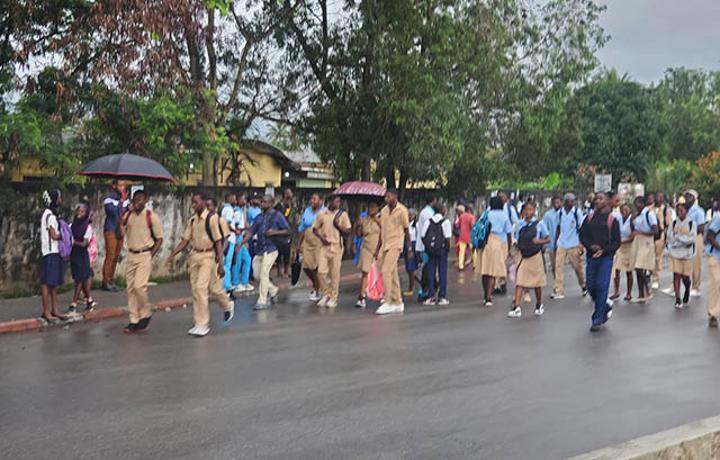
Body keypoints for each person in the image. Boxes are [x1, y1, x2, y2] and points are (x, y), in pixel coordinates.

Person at [166, 194, 233, 337]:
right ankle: (224, 305)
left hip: (209, 256)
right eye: (192, 202)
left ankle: (203, 323)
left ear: (203, 202)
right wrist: (172, 255)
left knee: (201, 288)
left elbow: (219, 241)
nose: (193, 205)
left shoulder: (213, 219)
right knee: (199, 289)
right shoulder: (193, 221)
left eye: (196, 202)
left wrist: (221, 263)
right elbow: (185, 240)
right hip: (195, 256)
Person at [119, 190, 163, 333]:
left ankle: (145, 312)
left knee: (139, 286)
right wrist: (122, 219)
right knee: (131, 289)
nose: (137, 202)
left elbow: (159, 239)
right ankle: (134, 320)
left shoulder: (151, 217)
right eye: (135, 199)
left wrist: (151, 254)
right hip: (131, 254)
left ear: (145, 201)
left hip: (145, 254)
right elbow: (119, 234)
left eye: (140, 200)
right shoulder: (128, 216)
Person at [238, 195, 290, 310]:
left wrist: (274, 232)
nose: (262, 204)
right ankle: (273, 290)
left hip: (271, 249)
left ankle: (262, 300)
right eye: (262, 202)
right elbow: (251, 232)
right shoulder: (259, 217)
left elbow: (287, 230)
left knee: (264, 273)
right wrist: (241, 243)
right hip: (260, 249)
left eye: (265, 202)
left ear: (271, 204)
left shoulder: (277, 216)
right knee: (257, 275)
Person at [580, 192, 621, 332]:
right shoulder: (589, 218)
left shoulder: (612, 220)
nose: (598, 201)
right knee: (591, 286)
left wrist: (604, 250)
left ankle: (597, 319)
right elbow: (582, 236)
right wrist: (590, 246)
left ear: (608, 201)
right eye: (596, 198)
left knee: (602, 285)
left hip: (605, 258)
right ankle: (605, 305)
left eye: (601, 198)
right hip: (591, 257)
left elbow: (616, 241)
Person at [507, 202, 550, 318]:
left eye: (530, 209)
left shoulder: (539, 224)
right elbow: (516, 238)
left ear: (534, 210)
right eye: (526, 210)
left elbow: (548, 238)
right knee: (520, 281)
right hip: (523, 255)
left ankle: (539, 304)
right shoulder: (519, 224)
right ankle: (516, 307)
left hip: (535, 255)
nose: (528, 212)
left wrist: (539, 242)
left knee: (537, 283)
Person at [375, 189, 412, 315]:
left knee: (386, 270)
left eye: (389, 196)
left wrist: (409, 248)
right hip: (385, 244)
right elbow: (382, 231)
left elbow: (406, 231)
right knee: (392, 273)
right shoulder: (384, 211)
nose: (386, 199)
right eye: (386, 197)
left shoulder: (402, 210)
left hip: (396, 244)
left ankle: (388, 301)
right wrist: (377, 248)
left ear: (395, 196)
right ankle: (397, 301)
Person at [312, 195, 352, 308]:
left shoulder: (342, 215)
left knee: (334, 274)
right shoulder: (322, 214)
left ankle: (333, 297)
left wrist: (339, 226)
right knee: (321, 272)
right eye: (336, 202)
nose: (338, 204)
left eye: (339, 202)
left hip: (336, 247)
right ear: (329, 202)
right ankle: (325, 293)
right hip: (324, 246)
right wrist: (321, 238)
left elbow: (348, 231)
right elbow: (315, 229)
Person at [552, 193, 586, 299]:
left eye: (574, 201)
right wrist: (555, 243)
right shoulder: (560, 213)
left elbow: (581, 228)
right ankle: (558, 290)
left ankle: (583, 285)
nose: (573, 203)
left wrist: (581, 244)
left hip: (573, 243)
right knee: (558, 267)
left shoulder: (576, 212)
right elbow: (558, 228)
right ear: (566, 202)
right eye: (571, 201)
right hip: (561, 243)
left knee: (577, 267)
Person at [481, 196, 513, 306]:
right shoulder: (504, 216)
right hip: (496, 242)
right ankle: (489, 297)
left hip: (484, 242)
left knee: (485, 270)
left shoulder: (486, 214)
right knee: (493, 272)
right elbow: (508, 233)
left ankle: (485, 294)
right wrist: (509, 247)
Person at [40, 189, 66, 323]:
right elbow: (54, 236)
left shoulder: (47, 214)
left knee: (52, 283)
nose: (60, 200)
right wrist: (65, 235)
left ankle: (54, 309)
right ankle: (46, 311)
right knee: (47, 283)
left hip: (49, 252)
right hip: (51, 252)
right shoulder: (50, 216)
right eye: (58, 197)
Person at [68, 202, 97, 314]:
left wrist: (72, 242)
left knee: (80, 279)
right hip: (74, 255)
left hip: (83, 255)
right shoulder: (71, 226)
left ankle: (74, 303)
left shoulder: (87, 228)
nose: (79, 213)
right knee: (79, 278)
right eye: (78, 211)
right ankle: (89, 300)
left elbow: (84, 244)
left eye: (82, 212)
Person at [421, 204, 452, 306]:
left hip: (431, 250)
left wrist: (429, 247)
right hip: (442, 250)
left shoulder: (428, 222)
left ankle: (431, 296)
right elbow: (447, 237)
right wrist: (446, 249)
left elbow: (423, 236)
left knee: (431, 272)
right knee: (442, 272)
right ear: (442, 210)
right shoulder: (446, 222)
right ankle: (442, 296)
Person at [666, 202, 695, 309]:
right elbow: (670, 237)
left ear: (686, 211)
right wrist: (679, 240)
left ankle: (687, 288)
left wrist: (679, 238)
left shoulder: (691, 223)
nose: (679, 213)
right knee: (676, 274)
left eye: (682, 210)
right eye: (678, 211)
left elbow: (691, 239)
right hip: (675, 253)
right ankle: (678, 298)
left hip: (687, 254)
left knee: (685, 276)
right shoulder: (673, 223)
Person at [101, 180, 128, 292]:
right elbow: (114, 212)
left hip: (120, 229)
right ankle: (106, 280)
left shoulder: (125, 198)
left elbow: (126, 212)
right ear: (114, 186)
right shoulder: (109, 198)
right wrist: (122, 202)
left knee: (116, 256)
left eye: (124, 185)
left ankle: (111, 279)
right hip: (111, 229)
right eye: (120, 185)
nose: (122, 188)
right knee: (110, 255)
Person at [297, 193, 324, 301]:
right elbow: (302, 228)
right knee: (306, 266)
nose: (312, 201)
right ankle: (317, 284)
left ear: (320, 201)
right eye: (311, 199)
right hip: (307, 241)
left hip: (319, 241)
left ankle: (317, 289)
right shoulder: (307, 211)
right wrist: (299, 244)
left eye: (314, 199)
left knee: (316, 267)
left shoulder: (324, 211)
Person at [631, 195, 658, 303]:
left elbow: (655, 230)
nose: (637, 206)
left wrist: (642, 232)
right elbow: (633, 229)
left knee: (640, 267)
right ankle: (641, 294)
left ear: (644, 204)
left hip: (646, 240)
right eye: (636, 204)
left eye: (639, 203)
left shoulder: (649, 214)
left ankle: (647, 287)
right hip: (637, 240)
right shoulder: (635, 215)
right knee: (636, 268)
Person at [355, 202, 382, 308]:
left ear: (377, 208)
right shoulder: (365, 219)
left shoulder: (381, 219)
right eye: (369, 207)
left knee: (381, 272)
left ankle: (384, 294)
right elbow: (359, 234)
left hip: (378, 247)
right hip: (366, 247)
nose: (371, 209)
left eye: (373, 207)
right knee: (365, 271)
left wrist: (378, 250)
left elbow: (383, 234)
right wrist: (358, 225)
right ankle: (362, 296)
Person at [610, 203, 635, 302]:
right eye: (622, 210)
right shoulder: (618, 219)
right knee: (616, 269)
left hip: (629, 246)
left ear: (629, 210)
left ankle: (629, 293)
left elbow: (633, 236)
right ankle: (616, 291)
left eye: (626, 210)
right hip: (619, 246)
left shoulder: (632, 220)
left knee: (629, 271)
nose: (624, 212)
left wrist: (621, 240)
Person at [232, 193, 253, 293]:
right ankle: (235, 283)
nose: (245, 201)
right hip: (237, 238)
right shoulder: (237, 212)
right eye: (243, 199)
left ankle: (244, 282)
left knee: (247, 259)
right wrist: (244, 229)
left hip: (241, 238)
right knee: (237, 261)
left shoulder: (241, 211)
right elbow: (236, 226)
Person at [685, 190, 706, 297]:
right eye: (686, 196)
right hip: (686, 238)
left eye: (689, 196)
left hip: (696, 238)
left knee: (696, 263)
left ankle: (696, 287)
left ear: (694, 198)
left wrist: (689, 230)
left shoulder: (699, 211)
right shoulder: (685, 210)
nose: (686, 198)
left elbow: (701, 227)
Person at [652, 192, 673, 289]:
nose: (659, 198)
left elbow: (668, 225)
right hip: (650, 236)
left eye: (661, 197)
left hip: (660, 236)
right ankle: (649, 273)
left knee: (658, 258)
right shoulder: (649, 209)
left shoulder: (665, 210)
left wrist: (667, 237)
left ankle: (656, 278)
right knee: (650, 257)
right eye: (657, 196)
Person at [704, 210, 720, 327]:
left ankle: (714, 311)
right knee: (716, 284)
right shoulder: (718, 218)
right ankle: (712, 314)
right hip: (715, 256)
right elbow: (710, 236)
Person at [274, 187, 294, 278]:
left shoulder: (288, 205)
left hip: (286, 231)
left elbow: (286, 216)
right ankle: (279, 271)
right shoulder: (279, 206)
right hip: (279, 231)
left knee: (287, 251)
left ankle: (286, 271)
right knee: (279, 252)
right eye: (289, 192)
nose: (291, 194)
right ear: (285, 194)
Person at [542, 196, 562, 278]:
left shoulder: (564, 213)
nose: (557, 204)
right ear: (552, 204)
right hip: (552, 244)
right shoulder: (548, 215)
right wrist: (544, 243)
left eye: (558, 202)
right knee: (554, 265)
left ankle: (559, 282)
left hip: (563, 243)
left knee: (559, 265)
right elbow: (544, 228)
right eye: (555, 203)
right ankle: (556, 279)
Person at [403, 208, 419, 296]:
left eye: (410, 215)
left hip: (413, 246)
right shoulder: (405, 225)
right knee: (408, 268)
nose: (409, 217)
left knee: (411, 268)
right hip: (405, 245)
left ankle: (411, 288)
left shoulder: (416, 225)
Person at [457, 205, 476, 271]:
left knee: (461, 252)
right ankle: (475, 265)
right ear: (470, 210)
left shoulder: (461, 216)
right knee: (473, 251)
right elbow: (472, 226)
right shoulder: (472, 217)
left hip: (462, 236)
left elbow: (458, 225)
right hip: (470, 237)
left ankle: (460, 266)